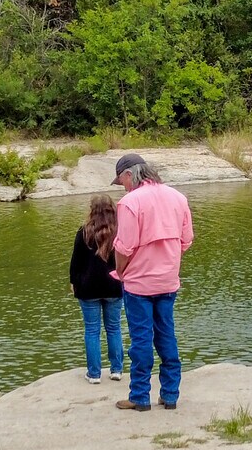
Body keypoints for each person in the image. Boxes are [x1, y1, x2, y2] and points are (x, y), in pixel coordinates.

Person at [109, 153, 193, 412]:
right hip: (168, 281)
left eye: (121, 180)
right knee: (167, 336)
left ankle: (140, 396)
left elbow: (124, 247)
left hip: (138, 284)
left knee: (141, 340)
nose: (122, 186)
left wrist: (121, 272)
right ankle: (170, 395)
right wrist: (168, 259)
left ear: (128, 175)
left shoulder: (130, 202)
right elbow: (186, 239)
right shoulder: (178, 197)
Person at [70, 194, 126, 383]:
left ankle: (94, 374)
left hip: (88, 288)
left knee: (92, 331)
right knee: (114, 328)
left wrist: (73, 282)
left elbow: (75, 261)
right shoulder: (120, 231)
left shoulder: (84, 232)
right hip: (114, 286)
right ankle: (116, 369)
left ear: (92, 211)